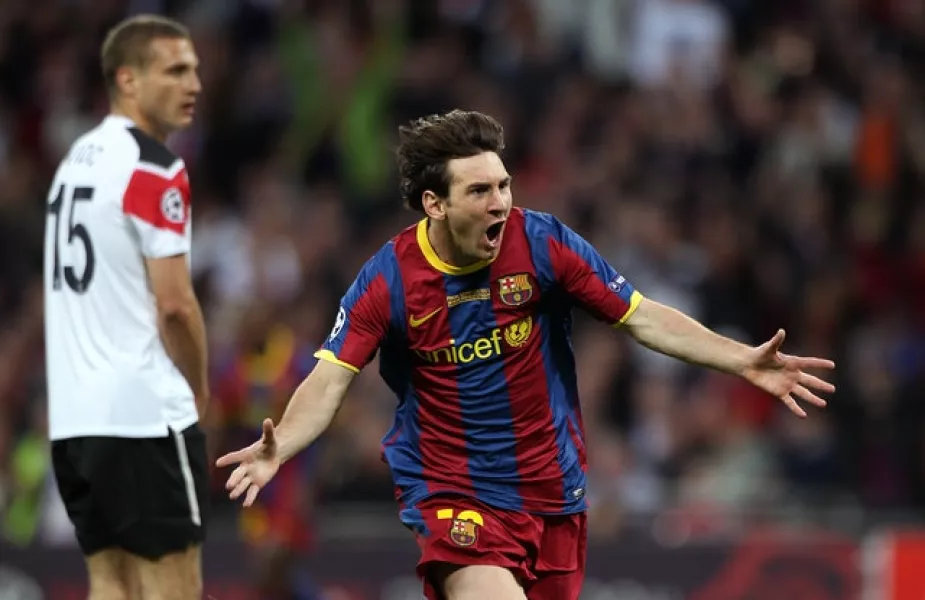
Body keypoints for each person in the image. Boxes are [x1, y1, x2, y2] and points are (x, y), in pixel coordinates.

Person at [217, 110, 835, 600]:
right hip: (453, 491)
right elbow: (330, 379)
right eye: (480, 190)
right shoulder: (389, 281)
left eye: (505, 185)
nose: (500, 203)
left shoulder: (543, 244)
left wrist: (742, 360)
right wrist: (284, 444)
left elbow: (641, 316)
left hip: (553, 492)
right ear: (436, 204)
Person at [43, 14, 209, 600]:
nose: (193, 84)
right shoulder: (153, 165)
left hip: (74, 423)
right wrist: (200, 389)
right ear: (128, 79)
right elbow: (174, 307)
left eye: (193, 70)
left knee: (109, 585)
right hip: (142, 416)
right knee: (174, 589)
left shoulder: (72, 164)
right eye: (175, 70)